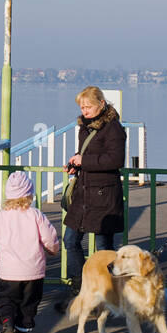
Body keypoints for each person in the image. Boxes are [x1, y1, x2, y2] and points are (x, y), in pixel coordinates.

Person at [55, 86, 126, 312]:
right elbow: (87, 156)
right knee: (70, 241)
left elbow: (115, 160)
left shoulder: (114, 128)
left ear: (101, 104)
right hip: (84, 193)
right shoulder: (84, 127)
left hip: (104, 195)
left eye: (88, 106)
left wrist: (82, 161)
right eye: (82, 107)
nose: (84, 110)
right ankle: (80, 289)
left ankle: (103, 296)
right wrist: (76, 165)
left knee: (104, 248)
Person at [0, 170, 60, 333]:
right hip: (34, 272)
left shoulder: (2, 217)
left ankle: (7, 322)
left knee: (7, 301)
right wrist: (52, 249)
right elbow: (49, 237)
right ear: (30, 194)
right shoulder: (36, 214)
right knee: (28, 305)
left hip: (9, 273)